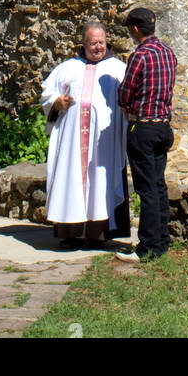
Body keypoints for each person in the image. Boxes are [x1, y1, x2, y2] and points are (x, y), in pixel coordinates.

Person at [40, 21, 130, 249]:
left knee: (100, 183)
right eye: (93, 43)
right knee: (71, 181)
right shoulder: (67, 68)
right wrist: (57, 102)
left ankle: (97, 235)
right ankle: (71, 235)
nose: (98, 47)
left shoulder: (118, 69)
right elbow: (46, 94)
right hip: (72, 143)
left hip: (103, 144)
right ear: (83, 43)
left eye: (101, 42)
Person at [115, 6, 176, 263]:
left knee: (146, 187)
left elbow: (125, 94)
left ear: (135, 29)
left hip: (143, 126)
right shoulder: (168, 53)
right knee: (159, 185)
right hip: (163, 126)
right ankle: (161, 239)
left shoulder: (139, 56)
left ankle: (148, 246)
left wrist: (126, 104)